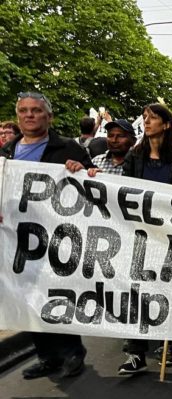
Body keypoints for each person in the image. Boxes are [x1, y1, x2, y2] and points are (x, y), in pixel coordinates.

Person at [66, 104, 172, 376]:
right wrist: (97, 178)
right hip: (139, 232)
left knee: (167, 288)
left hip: (171, 233)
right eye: (145, 119)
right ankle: (136, 352)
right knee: (135, 291)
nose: (147, 122)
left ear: (166, 124)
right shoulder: (136, 156)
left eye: (152, 118)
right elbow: (125, 190)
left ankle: (167, 342)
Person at [0, 92, 93, 379]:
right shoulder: (6, 154)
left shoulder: (68, 148)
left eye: (36, 111)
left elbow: (94, 185)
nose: (30, 115)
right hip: (17, 240)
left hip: (58, 238)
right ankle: (47, 357)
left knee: (58, 295)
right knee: (27, 299)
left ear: (48, 117)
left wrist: (81, 171)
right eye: (24, 111)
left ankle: (71, 354)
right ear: (18, 117)